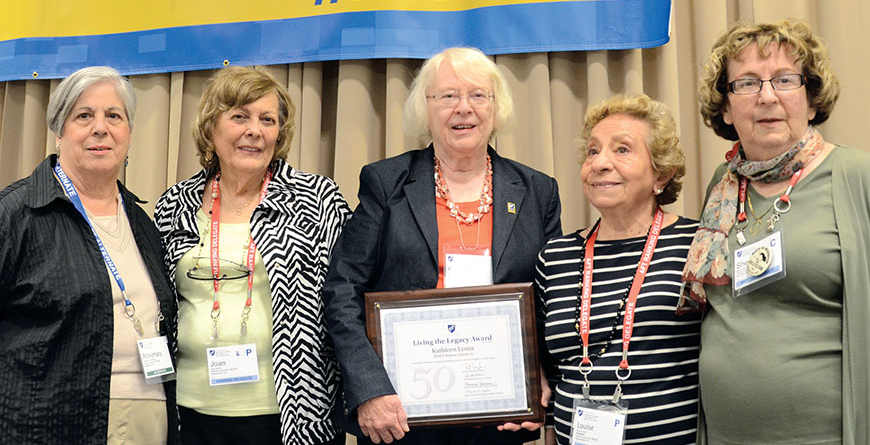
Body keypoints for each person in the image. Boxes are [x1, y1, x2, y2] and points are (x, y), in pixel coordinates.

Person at [323, 47, 562, 444]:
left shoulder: (537, 190)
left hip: (500, 416)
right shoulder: (386, 183)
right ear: (425, 109)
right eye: (448, 96)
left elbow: (554, 296)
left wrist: (538, 373)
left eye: (478, 95)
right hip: (400, 418)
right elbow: (341, 290)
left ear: (496, 107)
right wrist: (370, 389)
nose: (463, 108)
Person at [680, 19, 870, 444]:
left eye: (784, 80)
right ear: (726, 108)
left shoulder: (856, 175)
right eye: (746, 83)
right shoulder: (723, 186)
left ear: (812, 98)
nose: (767, 96)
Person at [154, 66, 351, 445]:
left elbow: (348, 298)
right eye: (240, 117)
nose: (254, 131)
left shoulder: (316, 199)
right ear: (212, 128)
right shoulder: (174, 204)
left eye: (267, 120)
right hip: (192, 410)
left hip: (296, 414)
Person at [0, 66, 179, 443]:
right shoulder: (17, 214)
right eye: (84, 116)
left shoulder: (142, 223)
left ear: (128, 134)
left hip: (149, 414)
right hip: (47, 423)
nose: (101, 128)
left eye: (114, 116)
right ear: (58, 131)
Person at [535, 94, 701, 444]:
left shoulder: (696, 244)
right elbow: (548, 370)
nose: (600, 163)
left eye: (622, 150)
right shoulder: (555, 256)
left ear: (662, 174)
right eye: (593, 151)